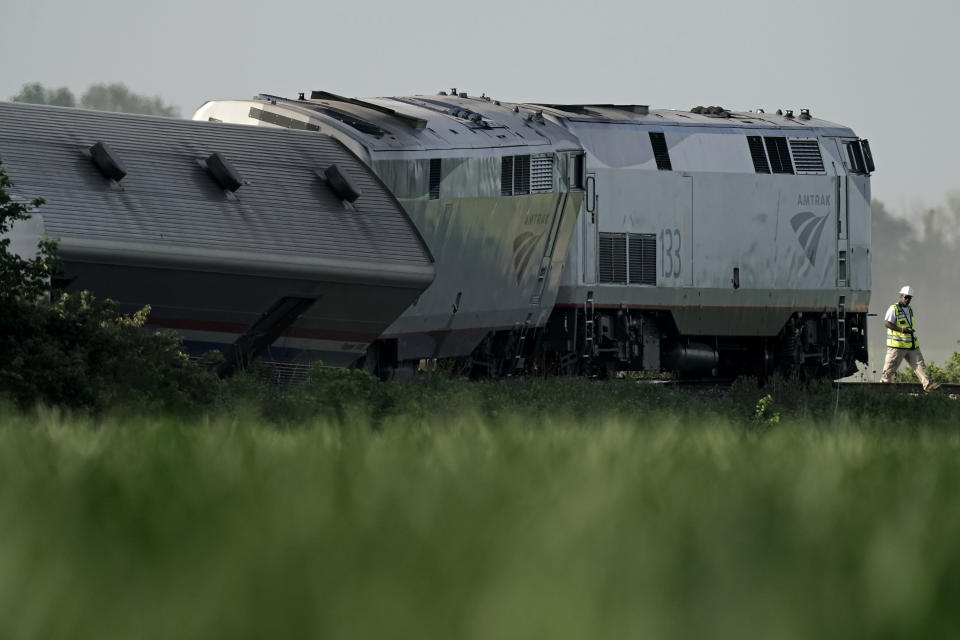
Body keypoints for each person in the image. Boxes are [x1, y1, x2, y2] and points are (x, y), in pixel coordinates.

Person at [880, 285, 940, 391]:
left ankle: (928, 386)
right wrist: (902, 330)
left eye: (909, 298)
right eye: (906, 297)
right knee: (889, 369)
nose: (907, 299)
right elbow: (887, 323)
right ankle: (883, 389)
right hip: (897, 346)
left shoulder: (910, 309)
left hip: (911, 345)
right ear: (901, 296)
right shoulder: (893, 308)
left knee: (919, 364)